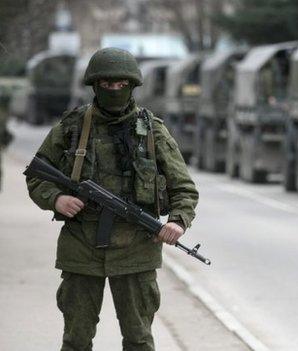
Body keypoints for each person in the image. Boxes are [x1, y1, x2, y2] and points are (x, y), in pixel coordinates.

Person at [25, 48, 199, 351]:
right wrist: (57, 199)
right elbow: (36, 174)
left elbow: (183, 188)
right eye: (107, 84)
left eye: (122, 85)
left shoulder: (152, 131)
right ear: (95, 85)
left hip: (136, 250)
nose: (115, 90)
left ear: (132, 86)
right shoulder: (72, 127)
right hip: (81, 246)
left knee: (138, 340)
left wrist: (177, 221)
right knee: (76, 340)